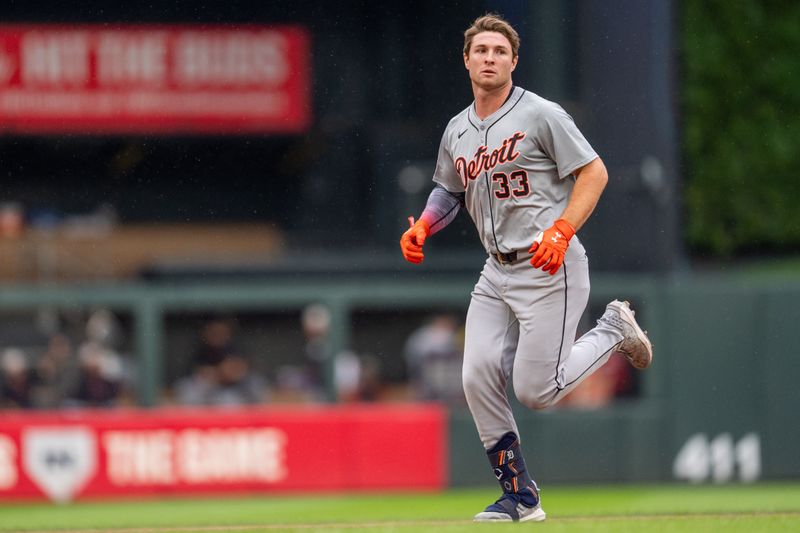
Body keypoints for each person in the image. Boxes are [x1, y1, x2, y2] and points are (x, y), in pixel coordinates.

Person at [399, 13, 653, 523]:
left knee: (536, 391)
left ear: (514, 61)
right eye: (481, 50)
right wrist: (425, 224)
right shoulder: (457, 129)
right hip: (496, 270)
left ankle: (611, 330)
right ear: (466, 60)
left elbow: (594, 171)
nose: (489, 57)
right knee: (474, 378)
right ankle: (520, 496)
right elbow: (449, 190)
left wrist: (562, 230)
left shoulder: (541, 114)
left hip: (547, 261)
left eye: (499, 51)